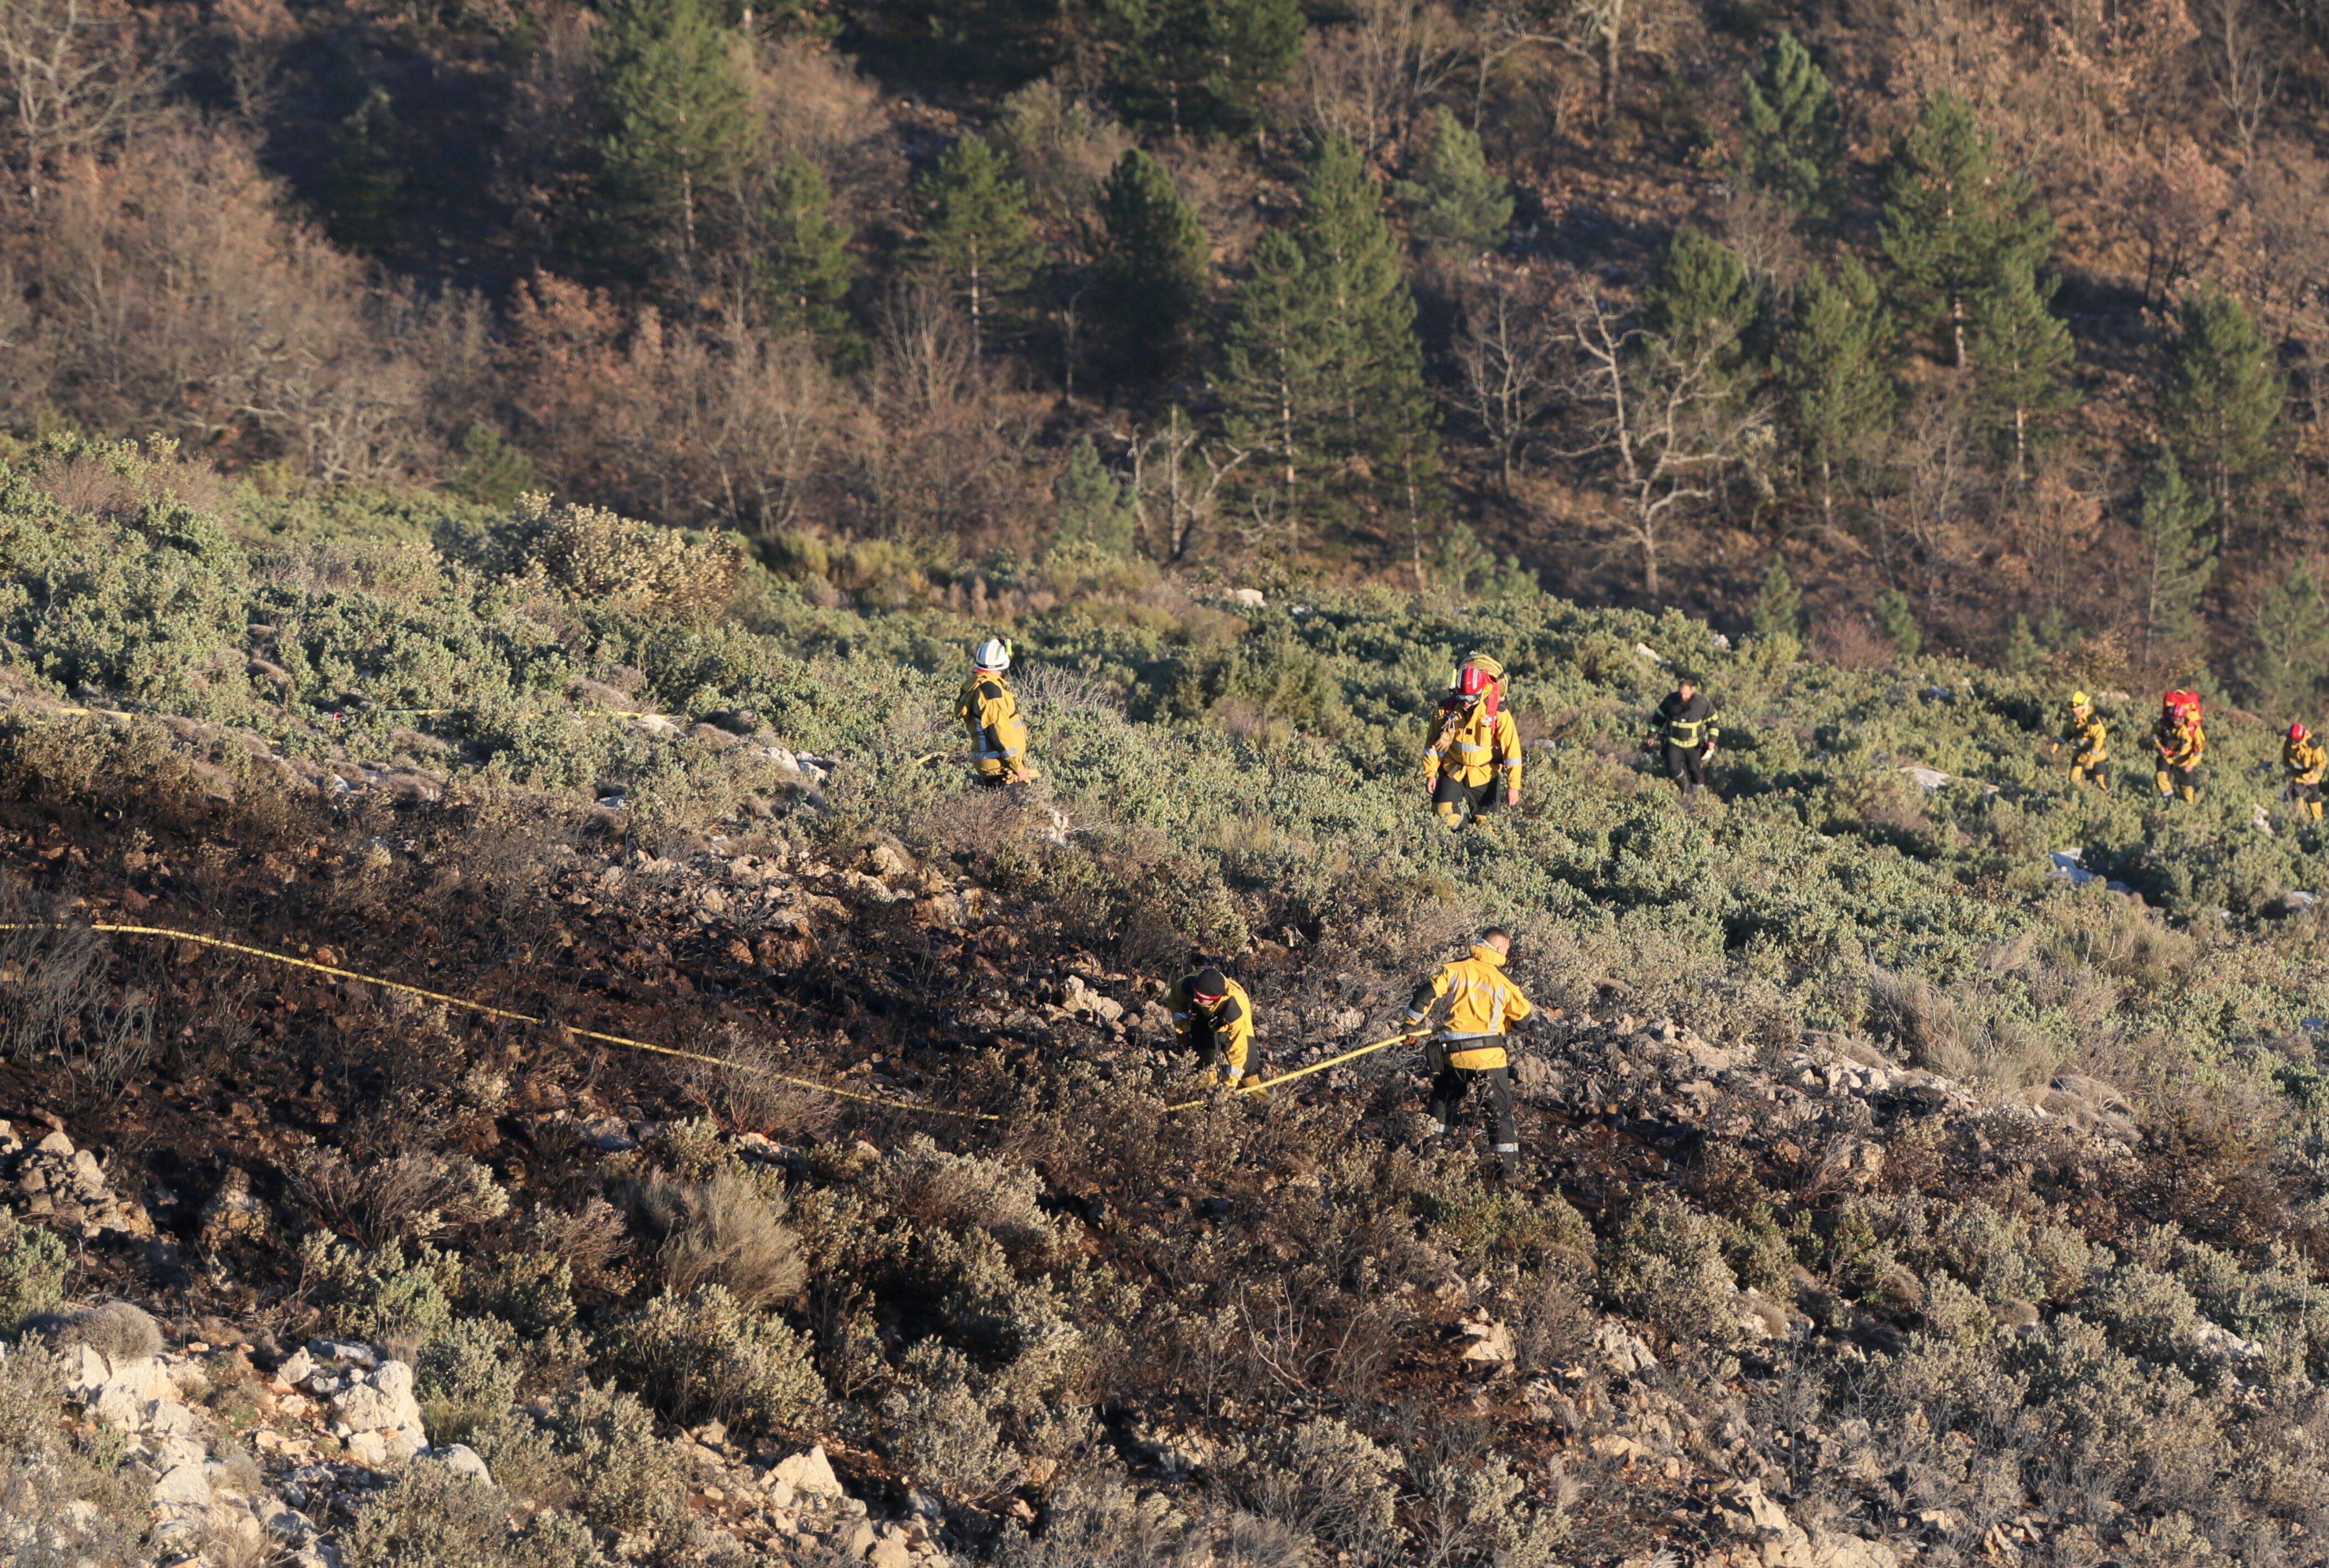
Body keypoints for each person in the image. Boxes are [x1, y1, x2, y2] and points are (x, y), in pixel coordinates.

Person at [1403, 927, 1534, 1177]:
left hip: (1453, 1056)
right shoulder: (1504, 981)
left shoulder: (1455, 969)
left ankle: (1427, 1157)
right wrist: (1504, 1025)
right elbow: (1523, 1020)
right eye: (1507, 949)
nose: (1508, 953)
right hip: (1489, 1058)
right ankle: (1507, 1174)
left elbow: (1426, 993)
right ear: (1499, 948)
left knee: (1442, 1103)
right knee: (1499, 1114)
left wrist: (1410, 1026)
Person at [1423, 653, 1523, 830]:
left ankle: (1475, 839)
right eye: (1461, 698)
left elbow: (1512, 752)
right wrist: (1430, 773)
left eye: (1471, 699)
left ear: (1482, 692)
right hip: (1453, 769)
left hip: (1485, 774)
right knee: (1442, 814)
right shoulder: (1445, 710)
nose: (1466, 703)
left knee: (1487, 827)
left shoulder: (1498, 714)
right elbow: (1432, 744)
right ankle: (1465, 832)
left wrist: (1513, 786)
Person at [956, 638, 1034, 784]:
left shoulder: (980, 684)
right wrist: (1017, 766)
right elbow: (999, 730)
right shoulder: (991, 691)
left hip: (994, 763)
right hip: (1000, 766)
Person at [1169, 966, 1254, 1090]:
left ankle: (1263, 1097)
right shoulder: (1186, 985)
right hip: (1203, 1017)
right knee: (1205, 1063)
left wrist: (1230, 1085)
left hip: (1230, 1022)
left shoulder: (1235, 1010)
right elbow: (1175, 1005)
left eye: (1200, 998)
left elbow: (1238, 1048)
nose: (1195, 999)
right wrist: (1183, 1033)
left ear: (1215, 999)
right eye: (1195, 994)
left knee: (1249, 1070)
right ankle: (1203, 1091)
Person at [1648, 677, 1720, 795]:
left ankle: (1700, 795)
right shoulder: (1670, 701)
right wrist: (1652, 734)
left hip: (1693, 746)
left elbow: (1713, 722)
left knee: (1695, 771)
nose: (1683, 697)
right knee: (1672, 768)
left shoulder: (1702, 704)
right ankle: (1686, 790)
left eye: (1686, 694)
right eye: (1681, 693)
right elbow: (1659, 717)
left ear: (1693, 690)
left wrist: (1712, 740)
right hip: (1674, 743)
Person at [2153, 690, 2204, 804]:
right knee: (2161, 776)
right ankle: (2169, 801)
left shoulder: (2193, 728)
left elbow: (2200, 749)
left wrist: (2192, 764)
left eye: (2178, 719)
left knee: (2188, 790)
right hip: (2167, 757)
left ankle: (2189, 808)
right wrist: (2159, 747)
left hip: (2185, 761)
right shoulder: (2165, 724)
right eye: (2174, 718)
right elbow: (2155, 736)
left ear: (2183, 717)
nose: (2175, 721)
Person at [2061, 691, 2109, 791]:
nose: (2075, 711)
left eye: (2078, 709)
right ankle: (2078, 796)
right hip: (2080, 756)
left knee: (2101, 780)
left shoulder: (2093, 722)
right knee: (2074, 779)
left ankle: (2108, 796)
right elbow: (2067, 734)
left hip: (2097, 757)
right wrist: (2058, 743)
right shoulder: (2073, 721)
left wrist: (2091, 760)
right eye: (2074, 709)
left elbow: (2099, 741)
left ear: (2085, 707)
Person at [2286, 722, 2326, 821]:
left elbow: (2322, 762)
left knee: (2315, 802)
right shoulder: (2290, 744)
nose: (2294, 743)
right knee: (2298, 803)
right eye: (2292, 740)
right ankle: (2302, 823)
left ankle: (2318, 824)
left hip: (2311, 779)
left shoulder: (2312, 745)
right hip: (2298, 779)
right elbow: (2288, 760)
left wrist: (2315, 778)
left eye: (2296, 741)